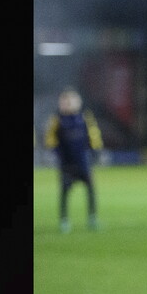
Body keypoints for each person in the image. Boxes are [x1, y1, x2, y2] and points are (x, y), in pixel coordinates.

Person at [44, 88, 104, 233]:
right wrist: (56, 154)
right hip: (66, 164)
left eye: (71, 101)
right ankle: (64, 221)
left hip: (83, 161)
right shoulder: (57, 120)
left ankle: (92, 218)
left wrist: (96, 152)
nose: (68, 104)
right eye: (65, 102)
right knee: (64, 192)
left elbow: (94, 136)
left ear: (78, 102)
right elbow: (50, 140)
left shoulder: (84, 117)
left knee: (90, 188)